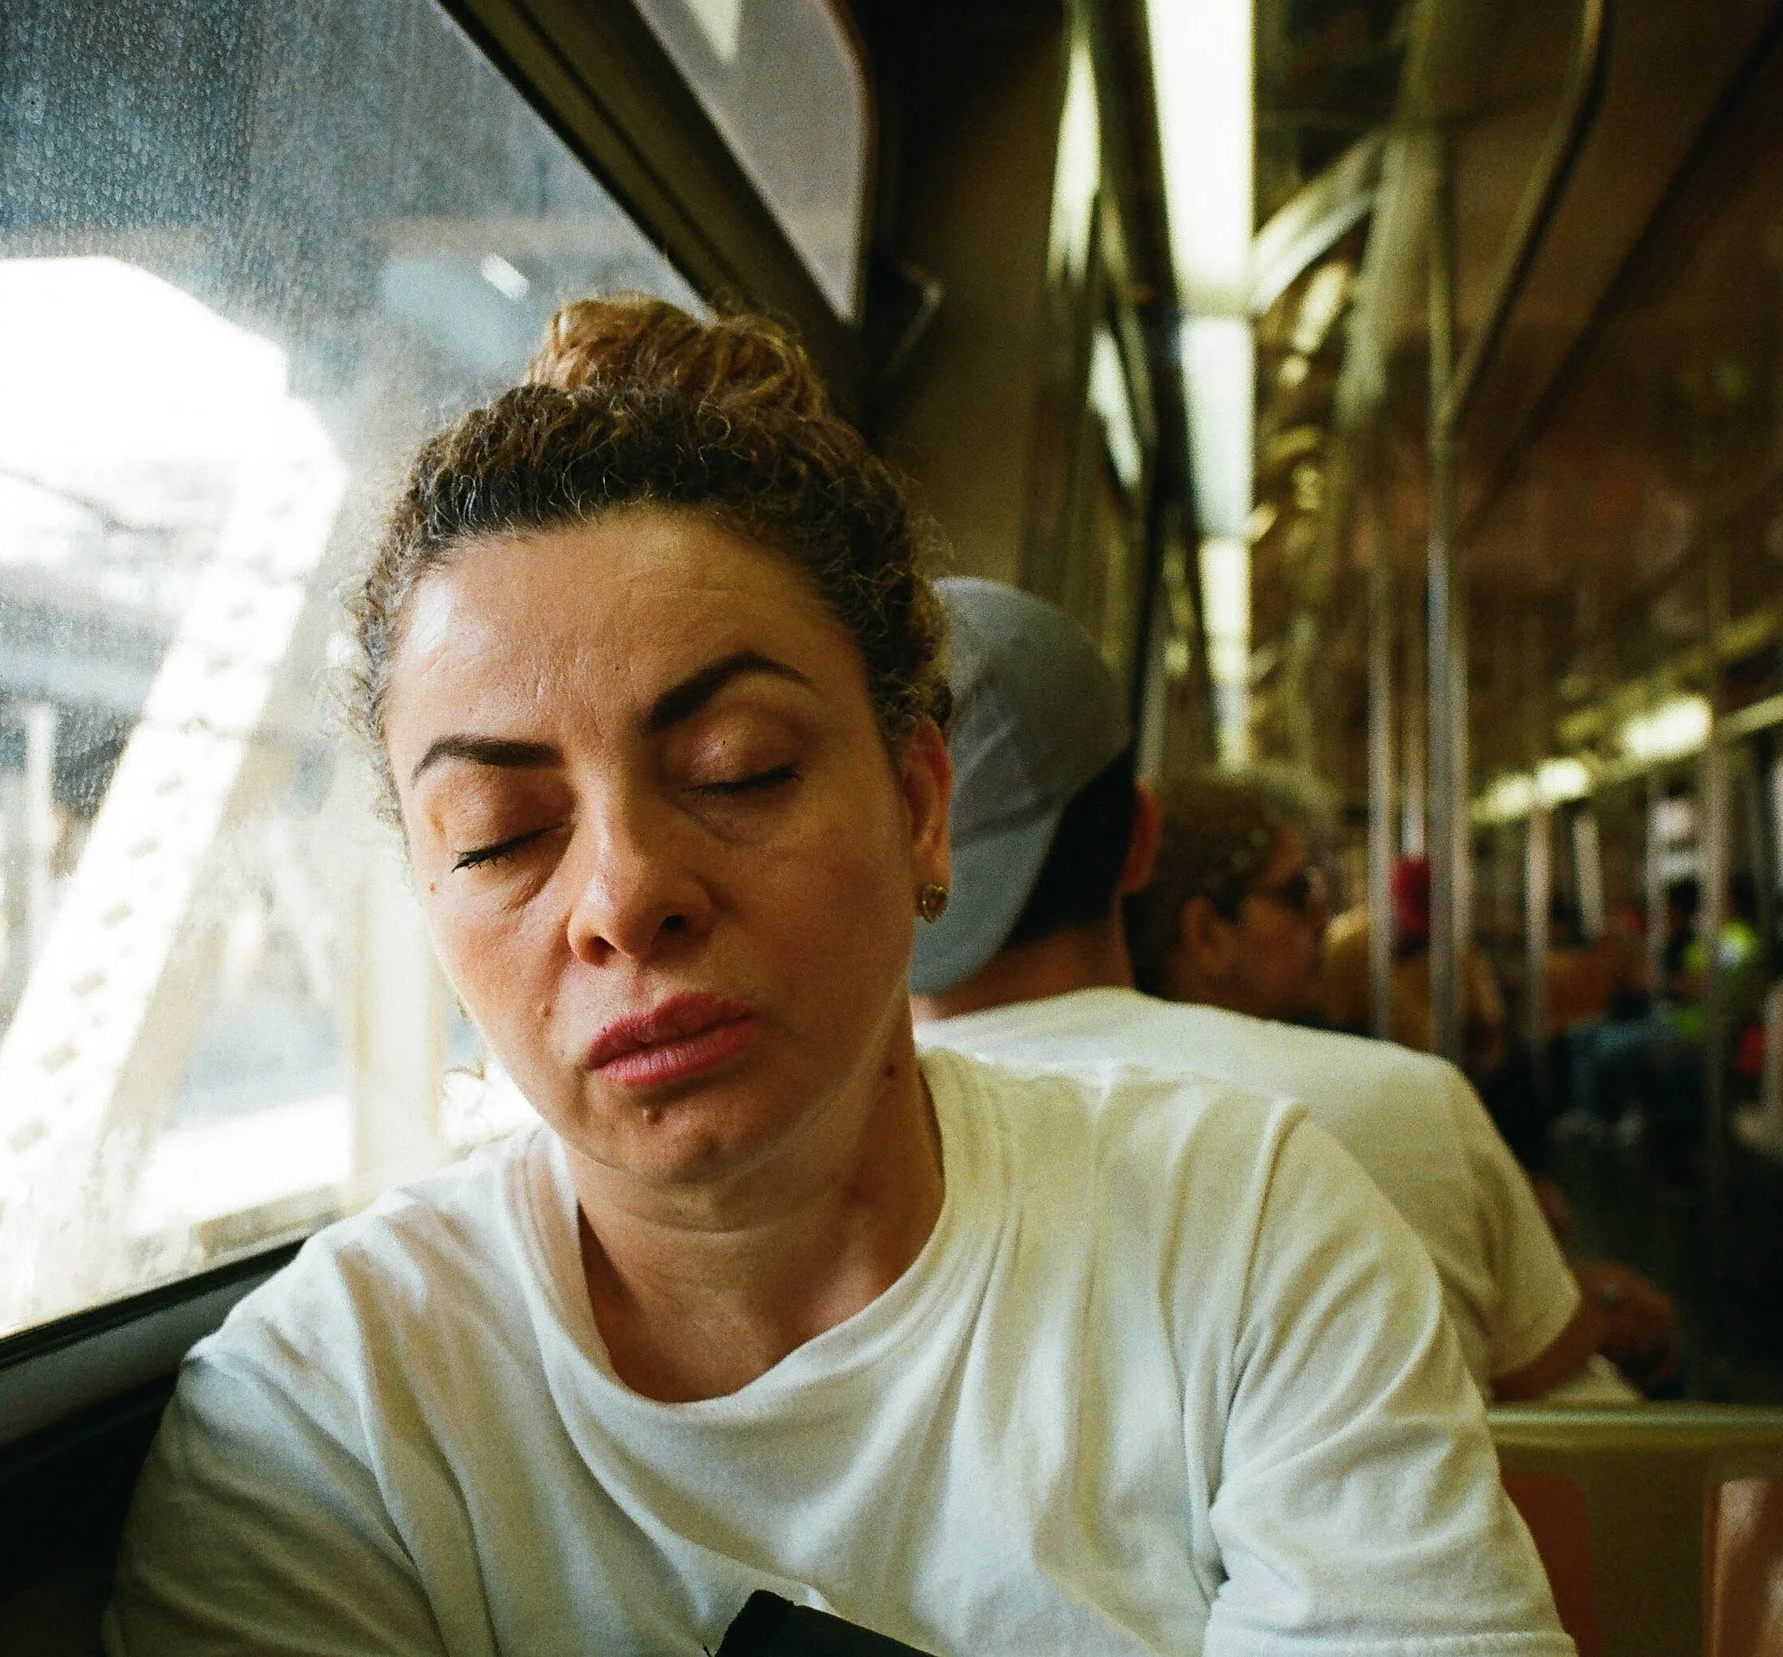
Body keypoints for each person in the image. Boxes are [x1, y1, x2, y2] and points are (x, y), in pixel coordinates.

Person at [104, 300, 1573, 1654]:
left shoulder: (1235, 1231)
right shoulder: (330, 1419)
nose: (623, 897)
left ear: (921, 805)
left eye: (738, 768)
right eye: (498, 834)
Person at [909, 580, 1668, 1399]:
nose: (1323, 915)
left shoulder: (854, 1158)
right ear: (1140, 840)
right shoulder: (1399, 1107)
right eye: (1298, 891)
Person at [1322, 855, 1512, 1078]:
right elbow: (1332, 1028)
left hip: (1439, 1077)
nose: (1415, 935)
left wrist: (1464, 1077)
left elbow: (1489, 1031)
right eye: (1407, 921)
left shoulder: (1457, 955)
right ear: (1387, 902)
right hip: (1365, 1074)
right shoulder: (1346, 944)